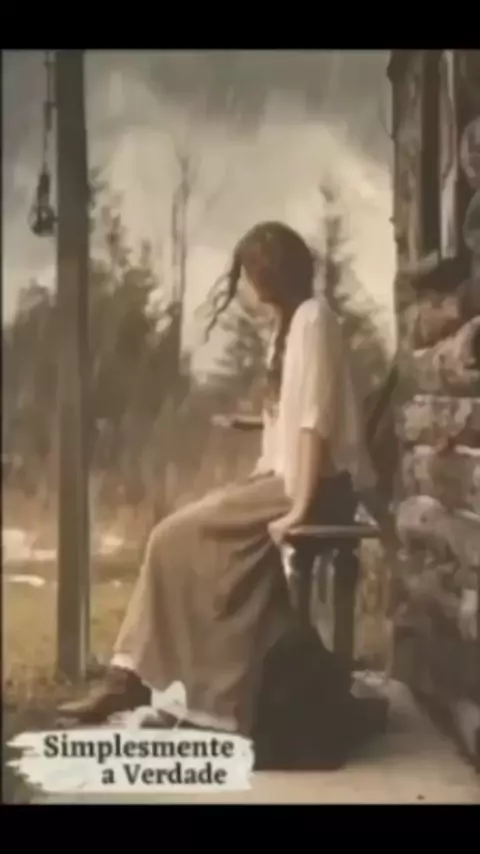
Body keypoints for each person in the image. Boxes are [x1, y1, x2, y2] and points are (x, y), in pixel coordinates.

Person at [58, 221, 376, 735]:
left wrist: (298, 507)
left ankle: (139, 680)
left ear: (271, 272)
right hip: (289, 479)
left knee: (172, 537)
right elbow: (291, 422)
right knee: (185, 536)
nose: (247, 284)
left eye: (251, 272)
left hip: (317, 486)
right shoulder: (289, 326)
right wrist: (258, 458)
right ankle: (150, 679)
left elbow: (314, 422)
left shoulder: (314, 321)